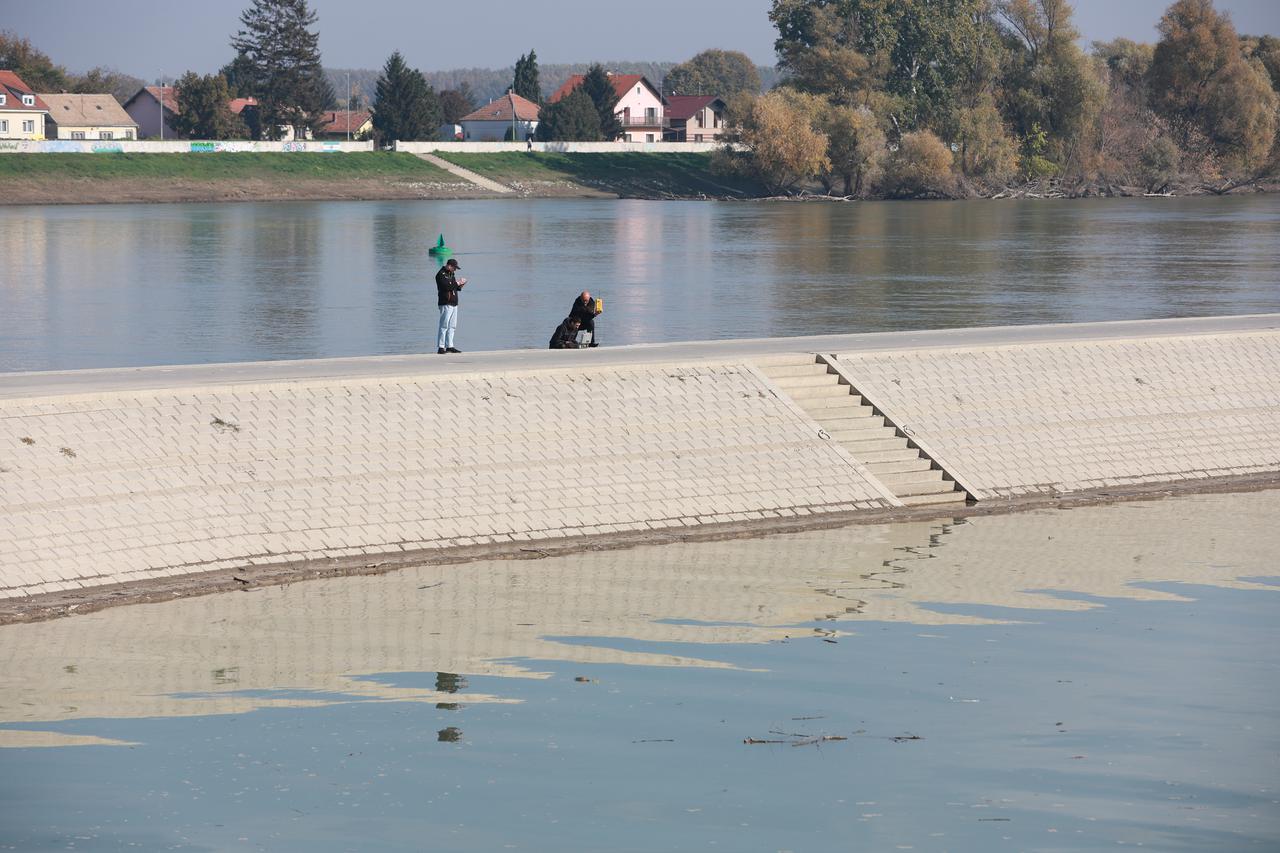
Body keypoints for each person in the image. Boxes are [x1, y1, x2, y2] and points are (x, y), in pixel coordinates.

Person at [435, 258, 466, 354]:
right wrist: (456, 283)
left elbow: (454, 288)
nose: (455, 270)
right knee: (444, 325)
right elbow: (446, 287)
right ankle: (441, 347)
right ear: (449, 266)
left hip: (454, 303)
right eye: (454, 268)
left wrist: (461, 285)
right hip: (445, 303)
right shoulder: (440, 274)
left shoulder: (451, 274)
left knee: (452, 326)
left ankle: (450, 346)